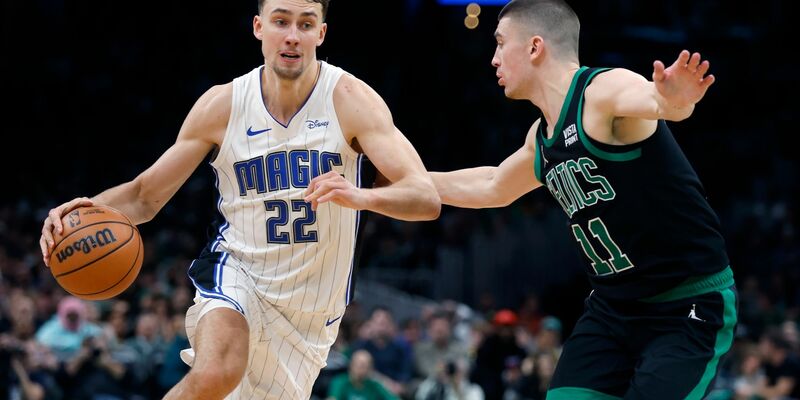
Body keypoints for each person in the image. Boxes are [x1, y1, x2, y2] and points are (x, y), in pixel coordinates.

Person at [38, 0, 441, 398]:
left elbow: (423, 197)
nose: (292, 36)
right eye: (281, 21)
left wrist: (361, 196)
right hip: (237, 272)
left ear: (321, 33)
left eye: (305, 24)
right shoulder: (223, 105)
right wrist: (84, 209)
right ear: (258, 27)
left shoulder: (351, 99)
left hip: (310, 313)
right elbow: (145, 196)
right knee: (217, 371)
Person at [431, 0, 736, 398]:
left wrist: (675, 99)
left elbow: (658, 102)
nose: (493, 59)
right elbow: (492, 185)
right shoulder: (541, 138)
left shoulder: (601, 92)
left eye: (500, 43)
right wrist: (394, 178)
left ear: (535, 47)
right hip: (612, 311)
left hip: (686, 305)